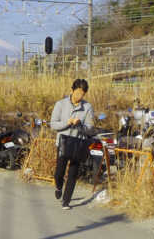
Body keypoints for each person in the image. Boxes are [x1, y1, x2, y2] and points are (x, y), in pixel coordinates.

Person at [50, 79, 94, 210]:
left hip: (78, 143)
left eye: (83, 94)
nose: (80, 96)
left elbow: (91, 128)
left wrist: (81, 124)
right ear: (72, 90)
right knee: (59, 172)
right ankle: (58, 186)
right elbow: (53, 124)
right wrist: (68, 122)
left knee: (73, 173)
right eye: (78, 92)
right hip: (63, 142)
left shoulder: (87, 107)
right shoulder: (60, 104)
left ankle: (66, 201)